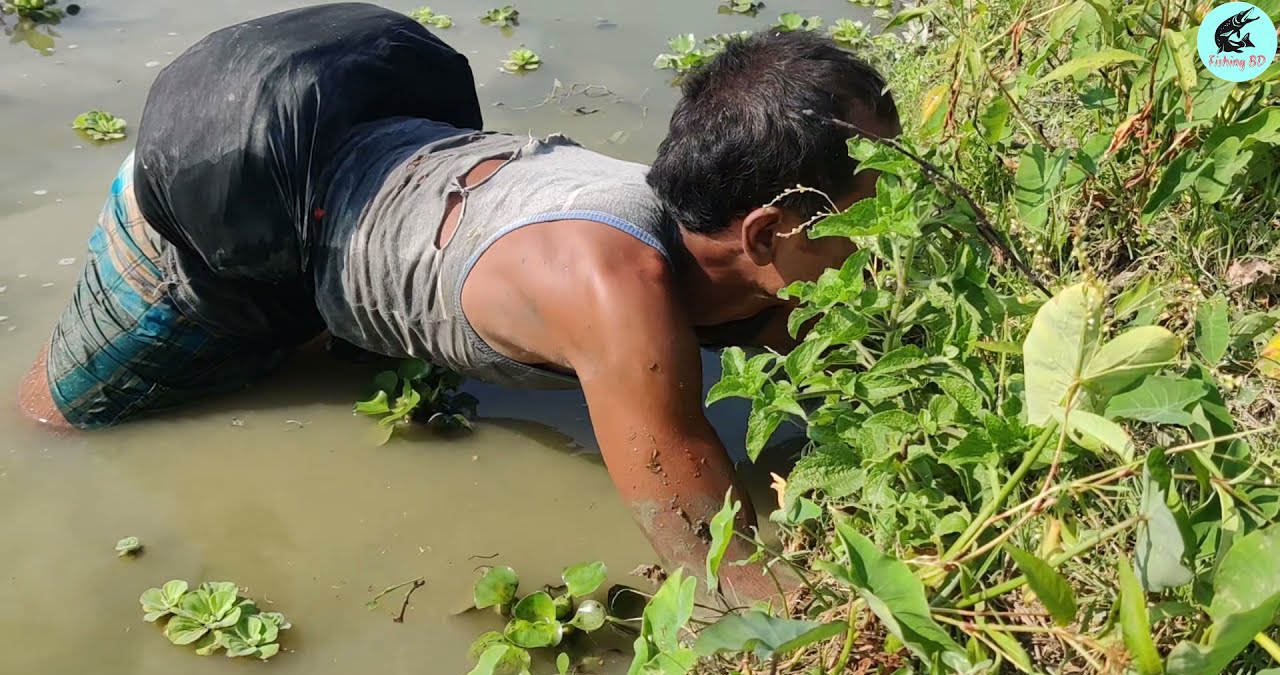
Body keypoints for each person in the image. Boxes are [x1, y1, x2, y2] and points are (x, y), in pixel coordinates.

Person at [18, 3, 900, 599]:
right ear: (767, 234)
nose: (895, 230)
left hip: (361, 170)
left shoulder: (733, 241)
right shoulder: (614, 292)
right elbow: (716, 567)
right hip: (186, 234)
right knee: (57, 427)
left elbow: (849, 374)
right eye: (875, 208)